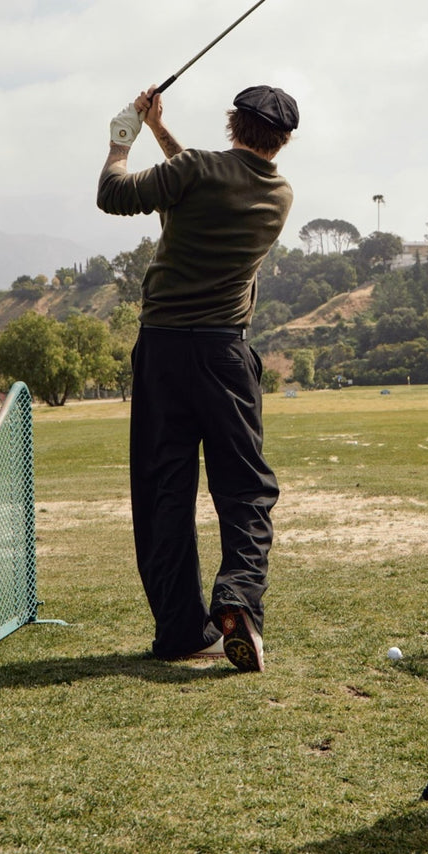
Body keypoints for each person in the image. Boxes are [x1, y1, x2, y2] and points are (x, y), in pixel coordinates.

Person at [96, 84, 297, 671]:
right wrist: (160, 130)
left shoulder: (200, 169)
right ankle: (236, 600)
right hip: (224, 358)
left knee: (165, 492)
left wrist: (121, 138)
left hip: (161, 354)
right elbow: (199, 181)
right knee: (246, 490)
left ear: (233, 122)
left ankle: (182, 631)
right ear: (283, 139)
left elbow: (114, 193)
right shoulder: (279, 194)